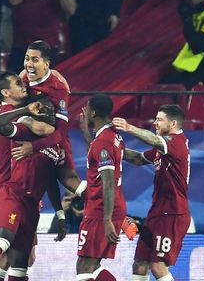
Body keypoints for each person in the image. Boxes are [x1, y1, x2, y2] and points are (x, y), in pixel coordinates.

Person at [0, 72, 58, 281]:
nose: (23, 85)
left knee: (20, 262)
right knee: (3, 246)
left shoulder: (6, 110)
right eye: (18, 83)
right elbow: (42, 127)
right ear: (6, 92)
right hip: (11, 191)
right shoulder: (13, 115)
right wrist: (55, 127)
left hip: (23, 193)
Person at [113, 105, 191, 281]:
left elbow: (154, 140)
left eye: (159, 119)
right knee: (140, 264)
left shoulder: (176, 143)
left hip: (172, 212)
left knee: (157, 266)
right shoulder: (163, 147)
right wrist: (116, 148)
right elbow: (139, 159)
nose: (155, 123)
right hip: (157, 212)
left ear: (172, 123)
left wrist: (129, 127)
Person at [20, 40, 86, 198]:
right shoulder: (23, 77)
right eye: (27, 58)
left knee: (69, 180)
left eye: (35, 60)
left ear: (46, 64)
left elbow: (61, 133)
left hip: (51, 141)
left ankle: (105, 210)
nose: (29, 64)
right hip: (25, 138)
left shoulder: (58, 88)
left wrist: (34, 146)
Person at [76, 94, 126, 281]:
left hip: (100, 211)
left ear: (94, 112)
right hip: (106, 208)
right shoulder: (112, 136)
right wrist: (86, 135)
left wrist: (106, 219)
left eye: (87, 108)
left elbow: (109, 181)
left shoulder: (103, 141)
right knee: (92, 265)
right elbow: (98, 156)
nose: (85, 111)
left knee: (84, 267)